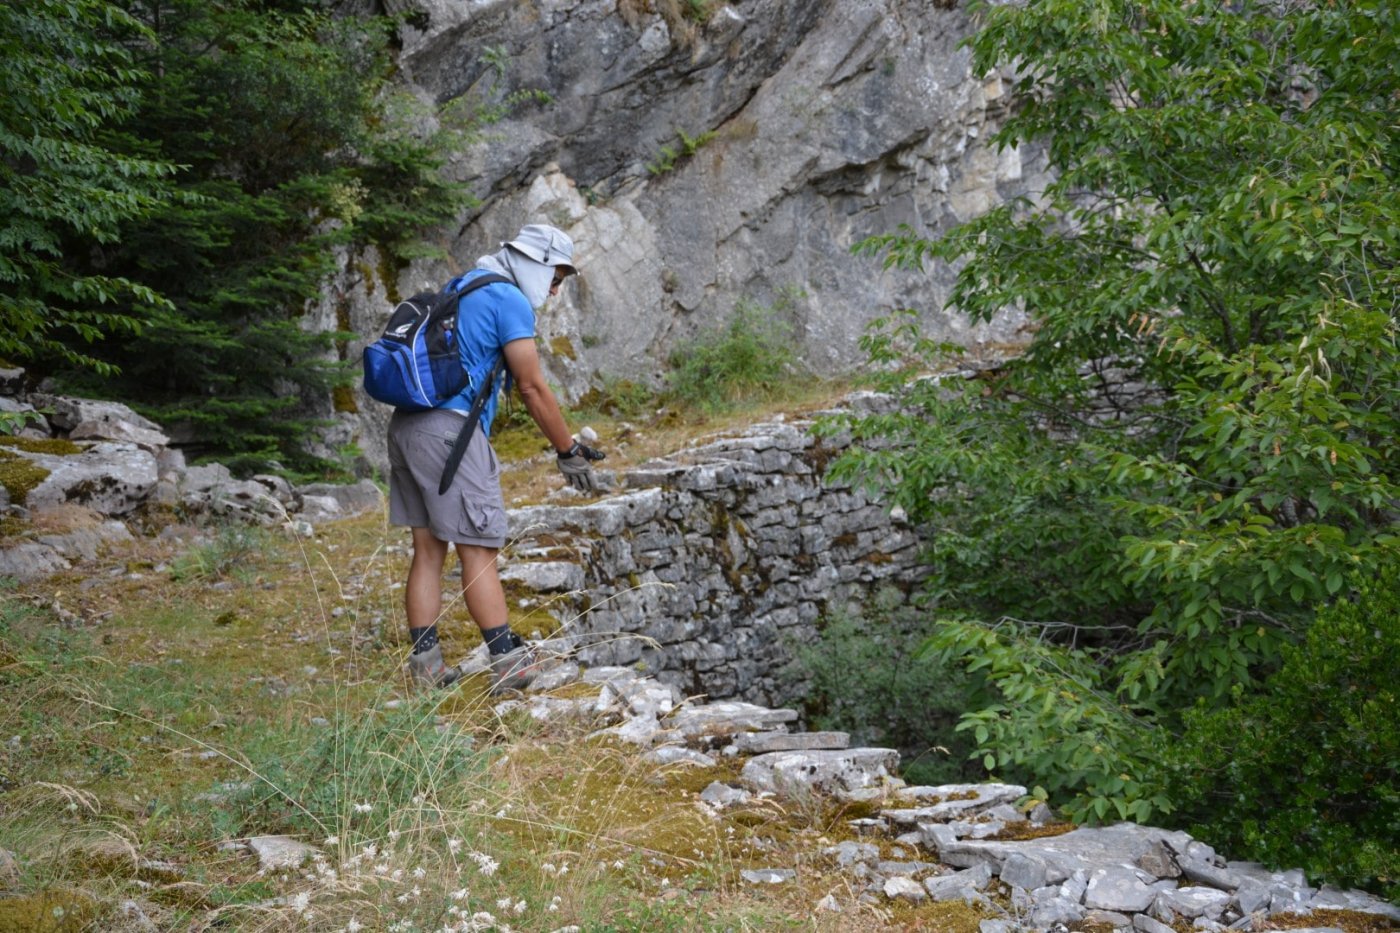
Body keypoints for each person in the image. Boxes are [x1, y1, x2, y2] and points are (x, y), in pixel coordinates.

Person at [386, 223, 605, 691]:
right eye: (555, 274)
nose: (555, 286)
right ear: (534, 262)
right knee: (479, 549)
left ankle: (427, 670)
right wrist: (567, 449)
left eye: (562, 279)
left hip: (407, 426)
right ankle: (508, 664)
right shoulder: (509, 300)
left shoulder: (464, 285)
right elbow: (531, 386)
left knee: (427, 551)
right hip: (451, 435)